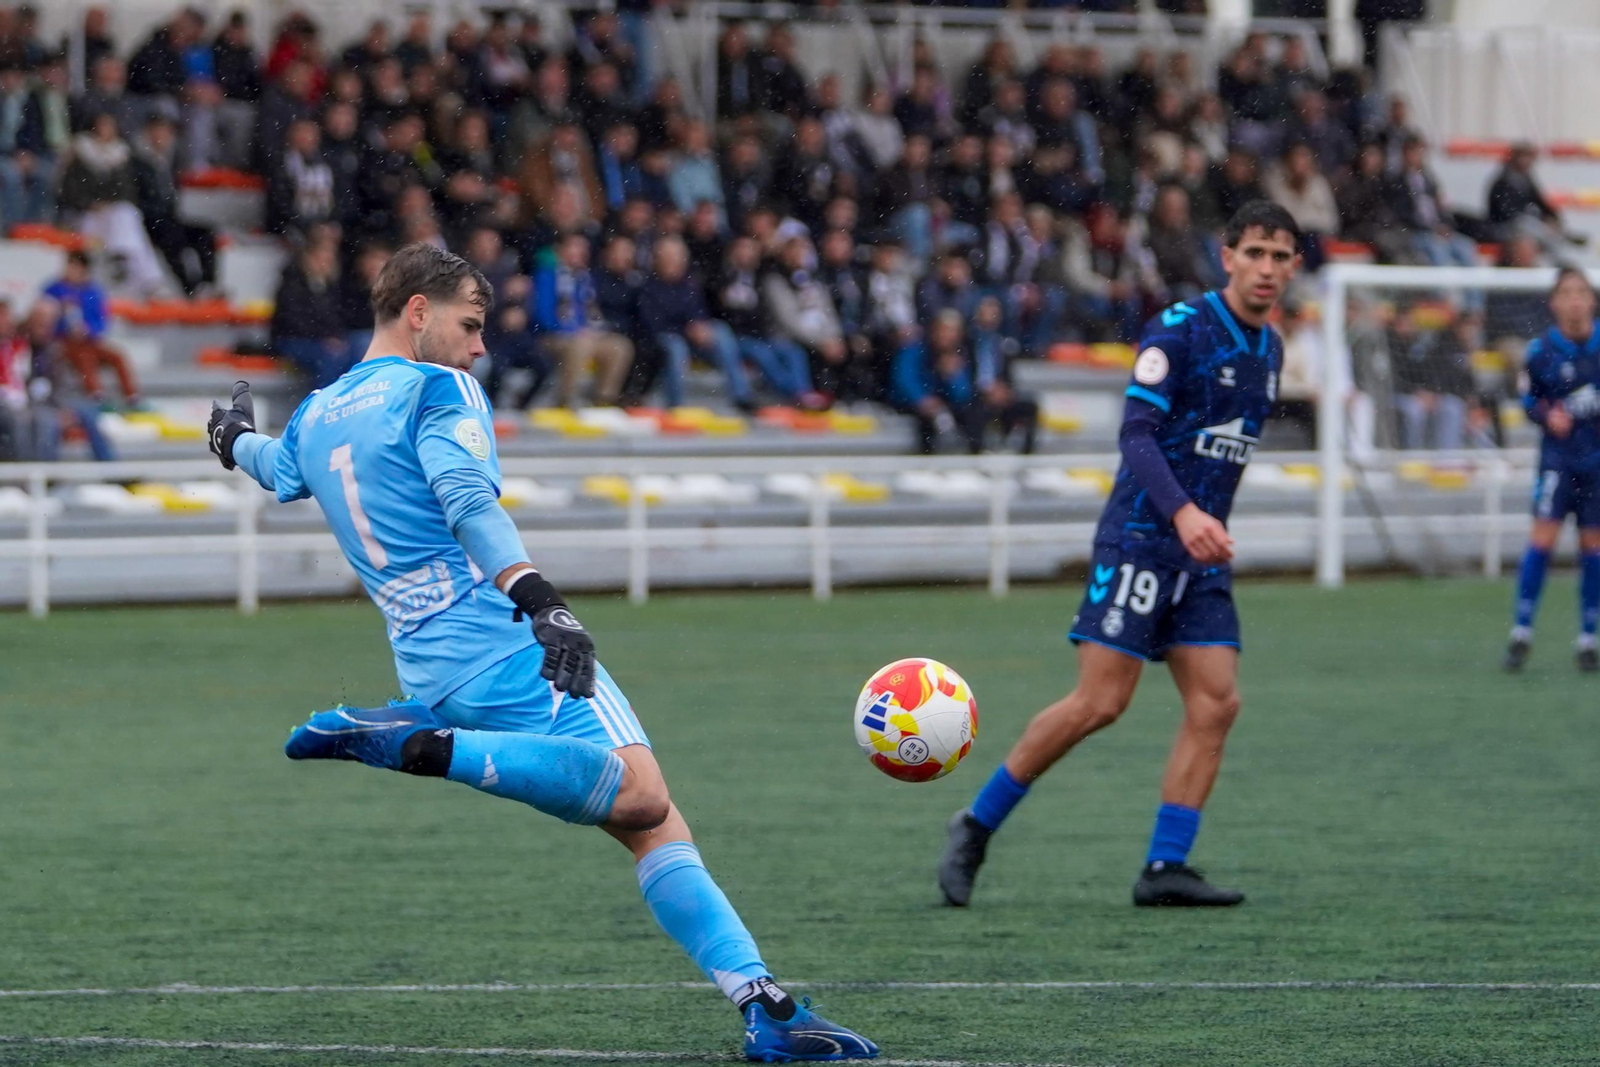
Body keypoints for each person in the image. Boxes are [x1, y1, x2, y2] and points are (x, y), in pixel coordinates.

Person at [204, 243, 877, 1063]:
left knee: (656, 827)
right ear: (419, 310)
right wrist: (543, 601)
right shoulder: (436, 387)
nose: (481, 347)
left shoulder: (318, 412)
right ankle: (417, 745)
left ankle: (763, 1004)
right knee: (640, 792)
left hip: (431, 665)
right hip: (503, 645)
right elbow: (465, 498)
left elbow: (280, 470)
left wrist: (232, 440)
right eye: (471, 324)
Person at [936, 202, 1302, 909]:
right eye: (1254, 252)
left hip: (1200, 556)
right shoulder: (1182, 330)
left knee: (1217, 701)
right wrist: (1186, 512)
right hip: (1141, 536)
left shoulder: (1271, 351)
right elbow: (1136, 435)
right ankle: (976, 824)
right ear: (1226, 256)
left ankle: (1164, 866)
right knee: (1101, 701)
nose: (1266, 268)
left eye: (1280, 256)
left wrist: (1206, 527)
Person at [1505, 269, 1600, 673]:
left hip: (1597, 464)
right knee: (1541, 541)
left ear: (1592, 301)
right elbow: (1528, 401)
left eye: (1582, 292)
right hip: (1557, 463)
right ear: (1555, 302)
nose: (1575, 299)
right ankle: (1521, 631)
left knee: (1593, 549)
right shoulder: (1540, 351)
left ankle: (1587, 637)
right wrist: (1547, 415)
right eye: (1567, 293)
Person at [531, 231, 632, 409]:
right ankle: (565, 401)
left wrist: (595, 329)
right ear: (560, 250)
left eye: (584, 248)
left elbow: (591, 313)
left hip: (584, 335)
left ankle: (603, 400)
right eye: (575, 247)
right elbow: (543, 317)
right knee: (580, 345)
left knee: (620, 346)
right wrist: (572, 331)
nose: (581, 252)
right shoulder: (546, 276)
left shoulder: (585, 278)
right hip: (551, 337)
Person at [43, 250, 142, 408]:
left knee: (117, 357)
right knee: (85, 357)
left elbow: (102, 321)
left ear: (83, 270)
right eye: (69, 266)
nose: (69, 271)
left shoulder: (93, 292)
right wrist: (63, 326)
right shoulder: (53, 290)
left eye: (74, 267)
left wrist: (88, 330)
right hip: (63, 342)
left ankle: (132, 397)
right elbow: (44, 320)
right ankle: (96, 396)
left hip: (89, 341)